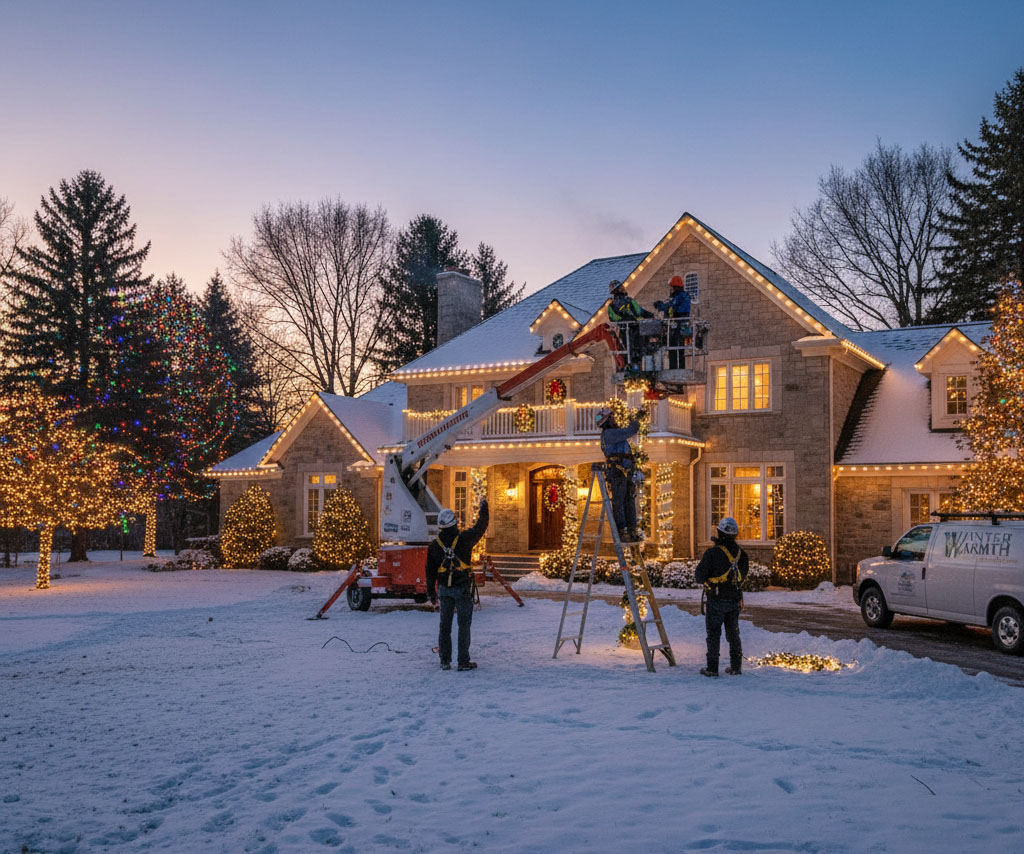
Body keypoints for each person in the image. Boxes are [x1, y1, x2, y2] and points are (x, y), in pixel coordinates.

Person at [427, 499, 489, 671]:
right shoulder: (464, 539)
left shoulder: (434, 546)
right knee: (463, 625)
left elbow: (429, 570)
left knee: (444, 626)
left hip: (444, 590)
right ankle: (463, 661)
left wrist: (431, 592)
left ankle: (445, 661)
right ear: (454, 523)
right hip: (461, 588)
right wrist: (484, 509)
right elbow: (480, 528)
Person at [694, 517, 749, 677]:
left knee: (713, 634)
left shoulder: (712, 553)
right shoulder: (741, 555)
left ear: (719, 532)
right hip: (734, 599)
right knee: (733, 634)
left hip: (716, 599)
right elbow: (742, 576)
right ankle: (736, 666)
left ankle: (712, 668)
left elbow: (699, 576)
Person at [596, 407, 641, 542]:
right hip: (618, 472)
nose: (614, 420)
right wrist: (636, 418)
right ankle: (622, 531)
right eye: (612, 417)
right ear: (607, 421)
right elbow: (631, 430)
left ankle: (632, 530)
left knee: (628, 501)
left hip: (625, 472)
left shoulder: (614, 434)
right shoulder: (610, 434)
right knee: (619, 502)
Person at [607, 280, 653, 368]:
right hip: (636, 329)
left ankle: (630, 365)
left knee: (628, 349)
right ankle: (637, 364)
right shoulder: (629, 301)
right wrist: (650, 315)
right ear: (620, 289)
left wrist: (622, 321)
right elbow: (639, 311)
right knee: (638, 348)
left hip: (624, 330)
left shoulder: (611, 306)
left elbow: (613, 318)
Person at [653, 275, 691, 370]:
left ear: (675, 287)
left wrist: (660, 305)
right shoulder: (681, 296)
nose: (670, 289)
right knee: (675, 348)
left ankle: (676, 367)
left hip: (678, 325)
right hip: (677, 325)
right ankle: (676, 366)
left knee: (676, 347)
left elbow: (671, 305)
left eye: (671, 287)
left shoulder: (681, 296)